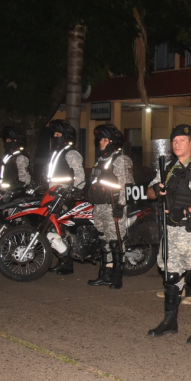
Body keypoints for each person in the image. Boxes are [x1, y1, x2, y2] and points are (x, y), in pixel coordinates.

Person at [147, 124, 191, 344]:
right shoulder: (167, 167)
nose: (178, 144)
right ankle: (170, 322)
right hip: (170, 232)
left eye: (182, 141)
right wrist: (156, 190)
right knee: (170, 278)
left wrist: (186, 211)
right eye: (175, 141)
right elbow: (149, 192)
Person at [86, 123, 134, 290]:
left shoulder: (120, 159)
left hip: (113, 207)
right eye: (100, 139)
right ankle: (105, 273)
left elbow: (126, 185)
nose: (101, 142)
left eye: (105, 139)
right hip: (99, 206)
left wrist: (120, 206)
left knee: (116, 243)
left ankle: (117, 276)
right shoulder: (101, 160)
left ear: (113, 141)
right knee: (103, 242)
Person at [46, 119, 85, 275]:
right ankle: (63, 261)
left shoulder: (71, 153)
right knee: (55, 230)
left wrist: (73, 192)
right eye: (54, 134)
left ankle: (67, 264)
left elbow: (80, 176)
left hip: (65, 198)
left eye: (58, 134)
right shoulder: (56, 153)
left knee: (65, 230)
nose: (56, 137)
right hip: (53, 196)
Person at [0, 126, 31, 191]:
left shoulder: (20, 157)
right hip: (4, 190)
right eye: (6, 140)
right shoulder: (7, 156)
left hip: (13, 191)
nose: (6, 142)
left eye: (8, 140)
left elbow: (24, 178)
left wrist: (18, 189)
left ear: (15, 141)